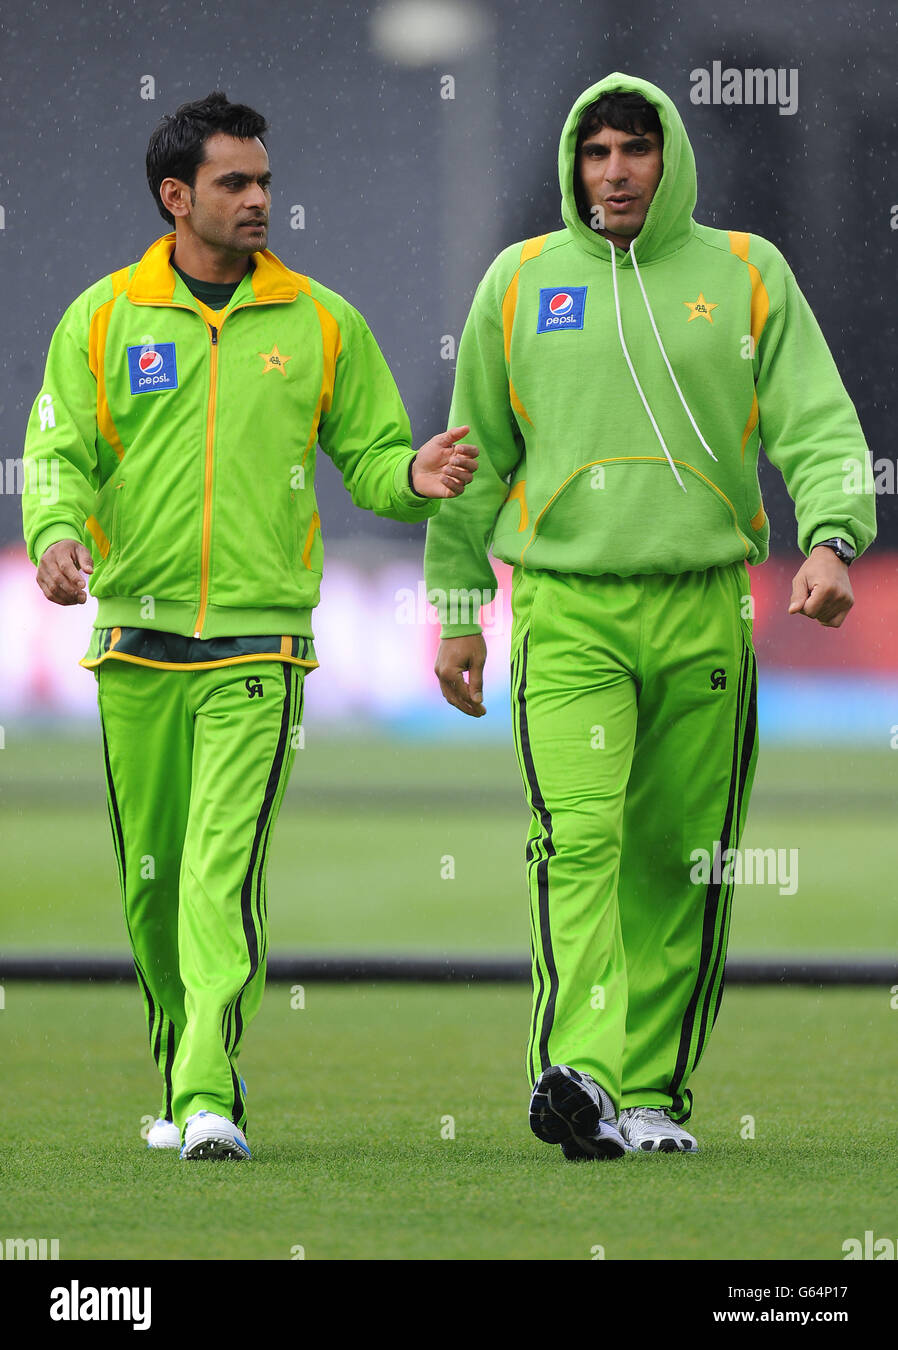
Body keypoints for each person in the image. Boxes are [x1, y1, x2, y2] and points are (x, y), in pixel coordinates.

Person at [424, 72, 875, 1160]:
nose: (613, 173)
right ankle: (580, 1071)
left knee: (681, 858)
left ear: (668, 158)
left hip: (704, 610)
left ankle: (653, 1098)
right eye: (594, 154)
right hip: (567, 611)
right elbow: (469, 456)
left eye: (633, 150)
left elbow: (817, 423)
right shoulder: (520, 279)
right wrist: (455, 605)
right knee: (575, 839)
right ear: (573, 167)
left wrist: (831, 536)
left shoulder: (748, 271)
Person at [21, 91, 477, 1162]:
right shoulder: (101, 318)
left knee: (218, 876)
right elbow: (58, 456)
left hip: (259, 646)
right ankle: (183, 1081)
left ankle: (207, 1094)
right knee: (152, 886)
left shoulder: (321, 321)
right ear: (177, 197)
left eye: (264, 178)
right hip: (133, 642)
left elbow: (372, 459)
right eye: (235, 182)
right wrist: (50, 534)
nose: (261, 197)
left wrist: (412, 476)